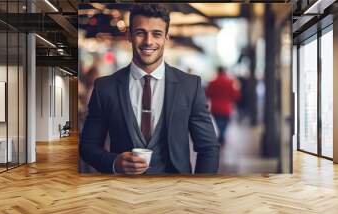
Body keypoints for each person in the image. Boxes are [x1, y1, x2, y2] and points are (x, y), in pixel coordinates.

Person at [80, 4, 219, 175]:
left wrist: (198, 190)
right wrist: (114, 162)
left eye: (157, 34)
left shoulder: (190, 86)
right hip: (123, 193)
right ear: (129, 35)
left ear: (166, 37)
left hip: (175, 192)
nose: (148, 41)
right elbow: (87, 147)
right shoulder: (105, 87)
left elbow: (209, 148)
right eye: (140, 33)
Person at [206, 67, 240, 145]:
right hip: (226, 107)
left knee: (218, 123)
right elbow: (236, 95)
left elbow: (207, 93)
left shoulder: (213, 82)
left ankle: (221, 135)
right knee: (225, 123)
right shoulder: (230, 82)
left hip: (215, 107)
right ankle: (222, 135)